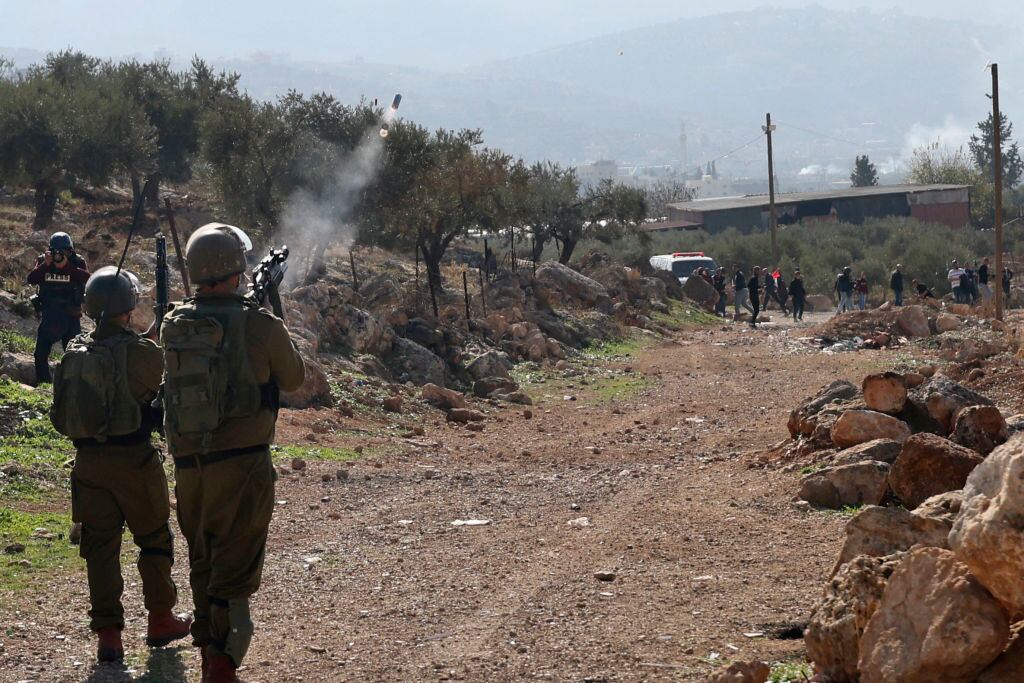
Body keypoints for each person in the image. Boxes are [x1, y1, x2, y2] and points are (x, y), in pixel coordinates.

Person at [161, 223, 305, 682]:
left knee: (203, 560)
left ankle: (209, 649)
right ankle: (222, 663)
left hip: (189, 467)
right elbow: (295, 378)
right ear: (235, 269)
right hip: (242, 465)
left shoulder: (174, 323)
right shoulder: (259, 323)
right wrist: (270, 314)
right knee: (236, 566)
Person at [50, 267, 191, 663]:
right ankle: (160, 619)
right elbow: (161, 377)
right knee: (154, 540)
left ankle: (108, 636)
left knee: (100, 548)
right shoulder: (142, 353)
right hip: (134, 462)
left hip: (88, 465)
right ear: (128, 307)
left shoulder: (76, 351)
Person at [26, 232, 91, 384]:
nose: (60, 254)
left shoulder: (77, 261)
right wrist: (45, 265)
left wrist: (67, 267)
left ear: (70, 251)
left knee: (74, 355)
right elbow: (31, 279)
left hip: (71, 315)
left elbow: (88, 279)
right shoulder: (44, 261)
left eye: (64, 251)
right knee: (40, 354)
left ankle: (71, 386)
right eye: (56, 251)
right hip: (49, 314)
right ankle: (44, 384)